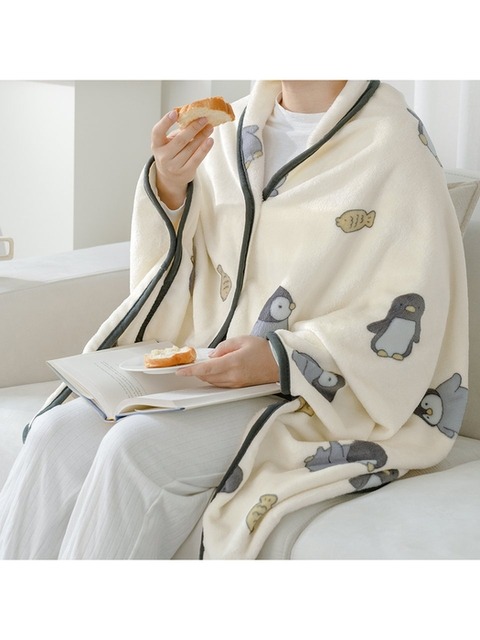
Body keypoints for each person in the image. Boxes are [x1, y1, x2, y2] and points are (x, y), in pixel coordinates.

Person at [0, 80, 469, 559]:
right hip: (206, 370)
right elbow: (194, 263)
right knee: (57, 435)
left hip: (307, 394)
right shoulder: (227, 132)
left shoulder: (394, 145)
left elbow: (412, 301)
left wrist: (278, 359)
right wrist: (170, 185)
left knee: (137, 447)